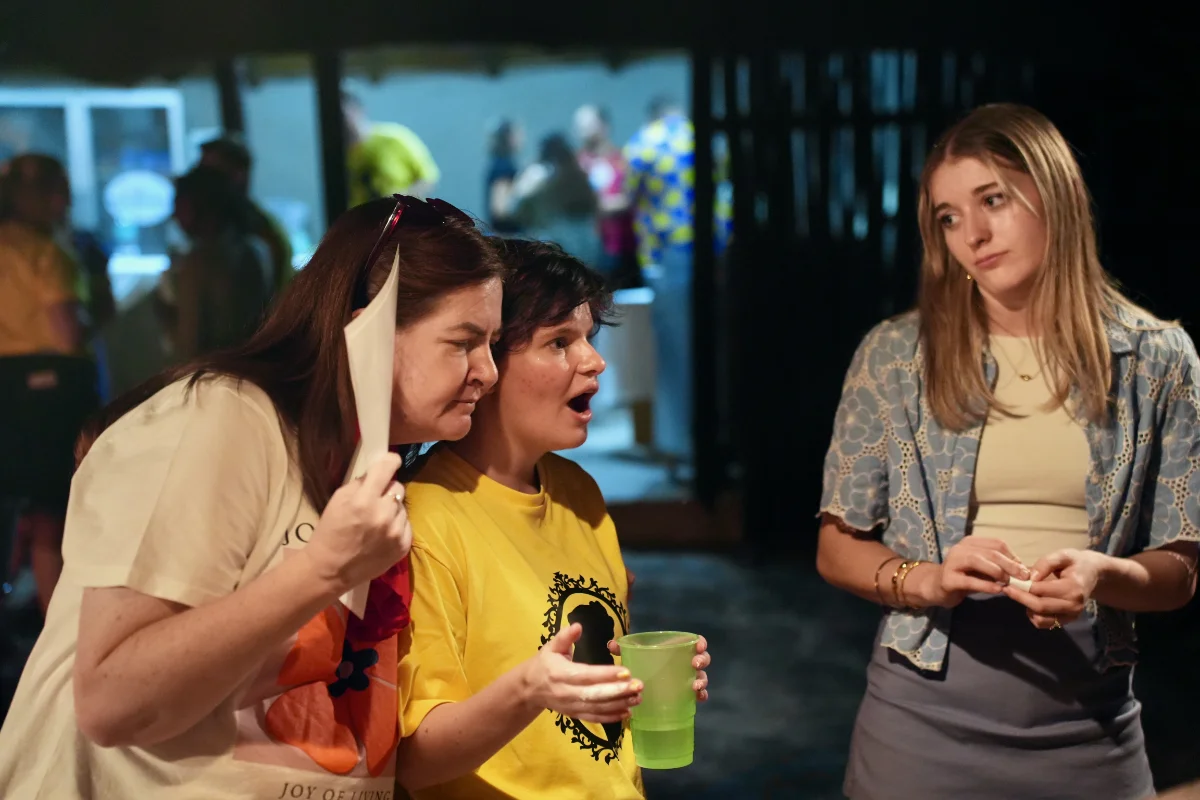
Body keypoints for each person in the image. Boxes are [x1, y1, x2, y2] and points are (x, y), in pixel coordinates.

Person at [0, 195, 506, 798]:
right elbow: (111, 701)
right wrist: (324, 569)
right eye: (463, 342)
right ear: (367, 328)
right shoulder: (222, 417)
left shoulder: (368, 457)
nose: (488, 372)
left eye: (494, 344)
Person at [816, 104, 1200, 800]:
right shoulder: (896, 356)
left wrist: (1100, 574)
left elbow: (1180, 570)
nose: (973, 235)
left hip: (1090, 728)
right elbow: (837, 547)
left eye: (992, 200)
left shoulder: (1157, 358)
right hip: (922, 730)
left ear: (1055, 193)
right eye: (949, 217)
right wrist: (929, 580)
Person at [395, 239, 712, 798]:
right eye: (559, 342)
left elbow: (583, 704)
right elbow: (413, 761)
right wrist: (529, 690)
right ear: (486, 362)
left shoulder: (577, 492)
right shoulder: (425, 520)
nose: (594, 361)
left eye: (589, 337)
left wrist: (643, 682)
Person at [623, 96, 733, 465]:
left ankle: (684, 446)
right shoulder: (709, 139)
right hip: (716, 254)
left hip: (668, 256)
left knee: (676, 354)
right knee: (718, 348)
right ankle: (722, 439)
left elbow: (628, 198)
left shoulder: (643, 143)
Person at [0, 153, 87, 616]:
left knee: (18, 510)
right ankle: (59, 629)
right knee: (53, 514)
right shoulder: (47, 254)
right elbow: (67, 333)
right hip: (48, 394)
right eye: (59, 193)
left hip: (7, 387)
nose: (66, 203)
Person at [157, 165, 271, 361]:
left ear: (200, 207)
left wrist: (167, 315)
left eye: (180, 206)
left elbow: (189, 347)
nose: (174, 215)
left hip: (214, 372)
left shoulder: (199, 263)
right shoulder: (256, 249)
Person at [199, 134, 296, 296]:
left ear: (238, 175)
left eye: (211, 174)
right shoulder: (213, 229)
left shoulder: (260, 232)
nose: (201, 183)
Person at [574, 105, 640, 289]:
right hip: (588, 249)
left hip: (622, 246)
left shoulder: (623, 160)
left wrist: (603, 206)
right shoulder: (577, 164)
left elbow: (633, 197)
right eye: (579, 125)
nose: (582, 131)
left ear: (604, 126)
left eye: (588, 125)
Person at [510, 132, 600, 265]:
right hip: (572, 239)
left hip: (564, 239)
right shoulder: (541, 174)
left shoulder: (540, 174)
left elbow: (514, 208)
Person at [344, 91, 441, 206]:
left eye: (343, 115)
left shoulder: (394, 139)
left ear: (358, 110)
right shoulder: (337, 151)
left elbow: (428, 178)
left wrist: (400, 202)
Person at [484, 117, 524, 235]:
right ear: (509, 138)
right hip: (506, 237)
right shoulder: (504, 167)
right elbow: (499, 210)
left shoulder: (499, 164)